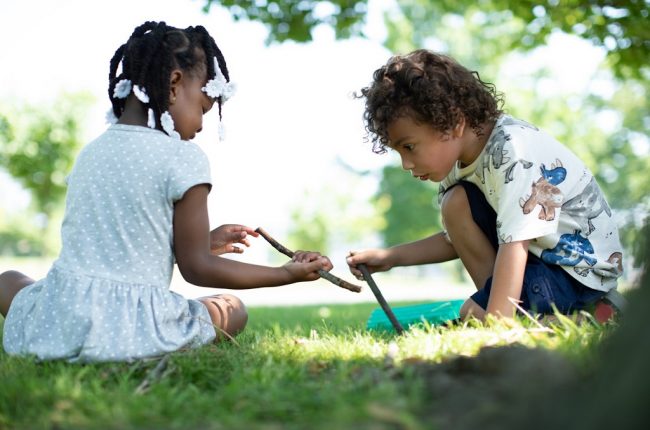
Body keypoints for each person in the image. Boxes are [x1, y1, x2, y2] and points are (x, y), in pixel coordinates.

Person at [0, 21, 332, 362]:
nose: (202, 124)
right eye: (203, 107)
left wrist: (201, 241)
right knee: (232, 309)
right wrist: (282, 274)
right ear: (174, 84)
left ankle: (49, 329)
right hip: (134, 327)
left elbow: (114, 247)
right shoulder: (185, 157)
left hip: (64, 316)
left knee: (8, 280)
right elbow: (197, 268)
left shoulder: (91, 152)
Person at [346, 49, 624, 322]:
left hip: (573, 273)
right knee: (454, 203)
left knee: (474, 314)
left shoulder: (514, 154)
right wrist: (391, 257)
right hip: (539, 264)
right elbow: (456, 238)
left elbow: (516, 242)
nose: (406, 163)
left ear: (453, 124)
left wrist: (496, 322)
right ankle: (519, 314)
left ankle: (584, 315)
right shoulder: (459, 166)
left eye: (409, 146)